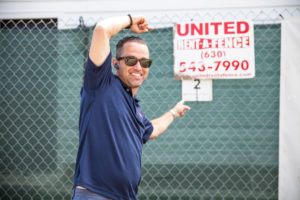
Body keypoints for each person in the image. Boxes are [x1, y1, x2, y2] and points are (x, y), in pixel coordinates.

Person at [72, 15, 190, 200]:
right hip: (95, 194)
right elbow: (102, 29)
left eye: (144, 62)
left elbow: (151, 130)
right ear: (115, 63)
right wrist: (130, 20)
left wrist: (173, 113)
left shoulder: (134, 107)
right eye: (130, 60)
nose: (138, 66)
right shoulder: (101, 84)